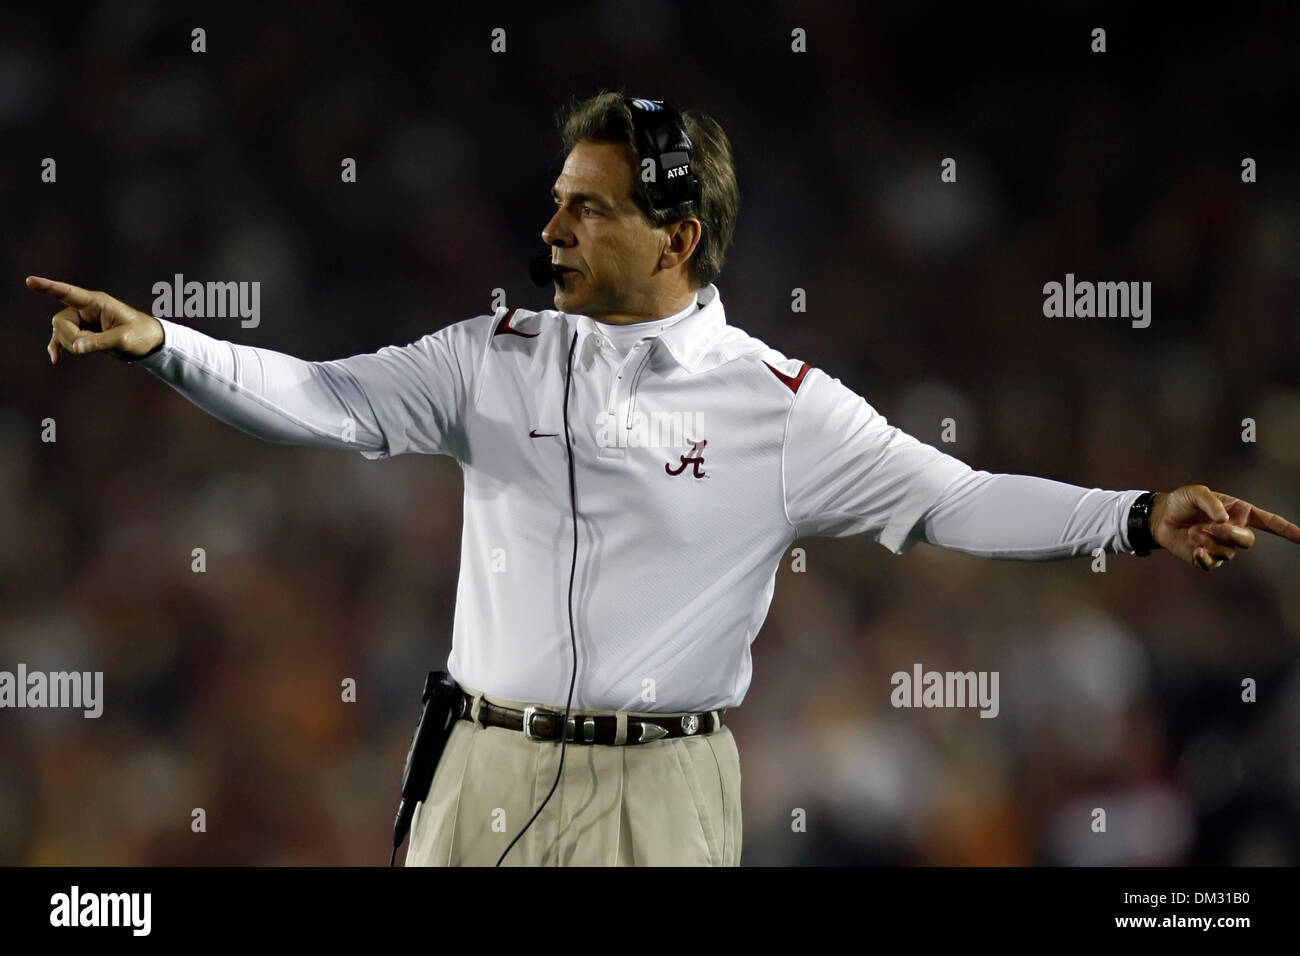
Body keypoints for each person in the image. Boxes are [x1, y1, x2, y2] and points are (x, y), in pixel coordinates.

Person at [29, 91, 1300, 867]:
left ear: (678, 235)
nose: (554, 228)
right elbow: (325, 398)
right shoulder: (491, 356)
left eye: (588, 208)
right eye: (557, 201)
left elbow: (952, 499)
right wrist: (166, 345)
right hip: (475, 763)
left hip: (659, 790)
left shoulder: (778, 406)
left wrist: (1131, 515)